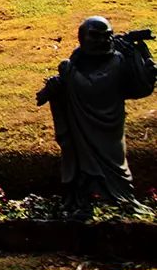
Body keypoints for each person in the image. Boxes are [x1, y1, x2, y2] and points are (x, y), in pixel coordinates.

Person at [37, 16, 156, 219]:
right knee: (81, 164)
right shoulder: (79, 58)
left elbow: (95, 87)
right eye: (95, 36)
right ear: (82, 38)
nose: (102, 41)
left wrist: (69, 73)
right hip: (80, 126)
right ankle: (82, 202)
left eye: (107, 36)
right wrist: (57, 87)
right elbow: (69, 86)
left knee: (113, 166)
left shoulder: (117, 60)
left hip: (107, 127)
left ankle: (115, 202)